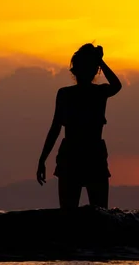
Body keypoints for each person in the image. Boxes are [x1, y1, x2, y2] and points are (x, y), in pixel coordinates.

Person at [36, 44, 122, 209]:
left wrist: (100, 62)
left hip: (92, 156)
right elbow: (55, 128)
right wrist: (42, 159)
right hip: (72, 156)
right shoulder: (65, 94)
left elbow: (117, 86)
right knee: (72, 215)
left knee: (99, 215)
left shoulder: (99, 92)